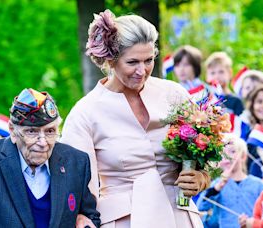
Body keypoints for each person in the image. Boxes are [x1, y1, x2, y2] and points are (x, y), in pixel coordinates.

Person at [60, 9, 210, 228]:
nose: (142, 71)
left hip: (179, 216)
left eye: (149, 60)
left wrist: (201, 176)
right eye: (132, 62)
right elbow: (77, 185)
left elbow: (208, 148)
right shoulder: (85, 112)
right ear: (110, 61)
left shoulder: (174, 94)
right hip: (123, 221)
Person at [0, 88, 100, 228]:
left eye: (50, 131)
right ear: (12, 131)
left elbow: (90, 215)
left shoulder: (76, 162)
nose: (43, 142)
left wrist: (86, 221)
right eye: (32, 132)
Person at [198, 134, 263, 228]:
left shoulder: (258, 184)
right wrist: (217, 188)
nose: (227, 157)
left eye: (232, 152)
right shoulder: (216, 185)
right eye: (222, 154)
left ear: (243, 157)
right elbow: (201, 206)